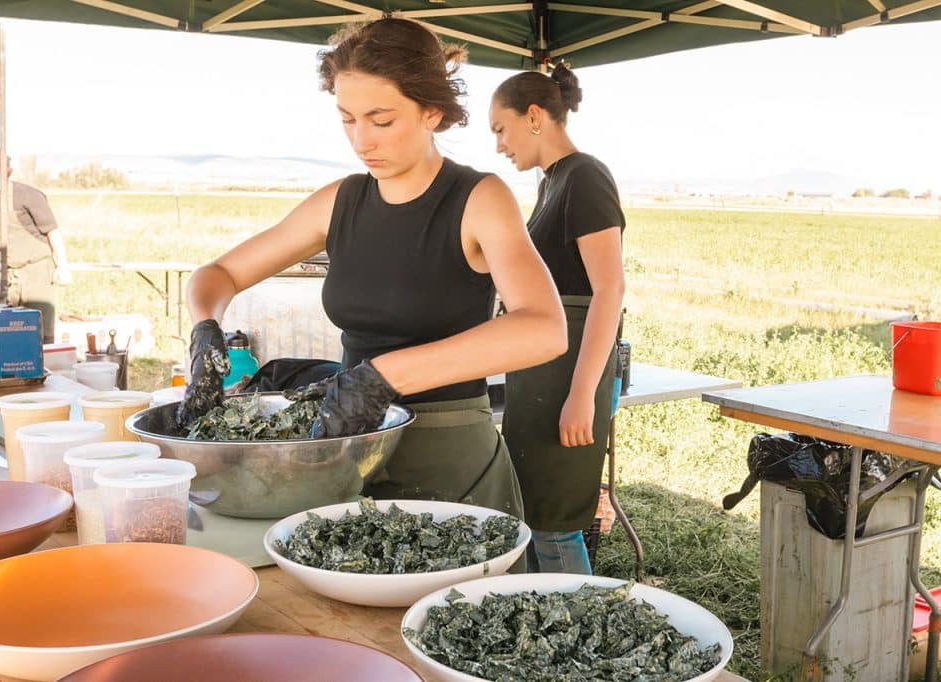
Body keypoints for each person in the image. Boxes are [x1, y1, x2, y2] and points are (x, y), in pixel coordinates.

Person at [178, 18, 567, 518]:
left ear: (432, 111)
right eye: (348, 119)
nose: (362, 141)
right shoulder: (339, 201)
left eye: (381, 121)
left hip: (447, 458)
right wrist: (205, 329)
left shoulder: (479, 199)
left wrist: (383, 376)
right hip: (348, 449)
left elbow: (544, 329)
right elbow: (219, 275)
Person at [489, 63, 626, 574]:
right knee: (533, 515)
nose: (499, 146)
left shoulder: (585, 176)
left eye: (500, 129)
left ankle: (580, 617)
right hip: (543, 376)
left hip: (571, 375)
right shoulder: (553, 182)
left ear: (533, 117)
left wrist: (581, 394)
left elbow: (609, 289)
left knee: (554, 522)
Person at [0, 147, 71, 343]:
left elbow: (52, 231)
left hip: (37, 271)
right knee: (7, 332)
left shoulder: (27, 195)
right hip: (9, 274)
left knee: (40, 333)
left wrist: (63, 266)